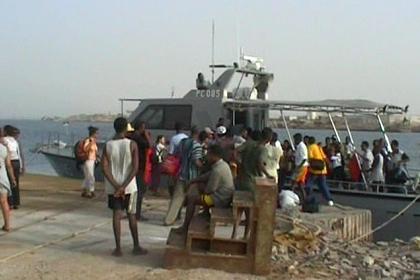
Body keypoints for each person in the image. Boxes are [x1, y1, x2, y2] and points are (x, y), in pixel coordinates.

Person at [102, 117, 147, 257]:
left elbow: (104, 168)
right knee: (131, 215)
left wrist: (116, 186)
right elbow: (135, 168)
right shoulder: (132, 144)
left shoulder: (108, 145)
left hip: (113, 187)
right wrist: (124, 186)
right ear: (125, 129)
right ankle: (136, 246)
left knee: (116, 215)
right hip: (130, 187)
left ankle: (118, 248)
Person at [174, 144, 234, 233]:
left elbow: (209, 191)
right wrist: (193, 181)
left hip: (219, 200)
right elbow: (206, 176)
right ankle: (204, 213)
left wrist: (199, 187)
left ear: (214, 155)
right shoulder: (222, 165)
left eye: (209, 154)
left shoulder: (217, 171)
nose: (207, 156)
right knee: (198, 188)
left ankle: (185, 227)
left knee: (192, 199)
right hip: (224, 197)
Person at [164, 126, 204, 226]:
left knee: (176, 199)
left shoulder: (183, 143)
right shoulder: (197, 146)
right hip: (193, 177)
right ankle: (192, 221)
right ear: (198, 134)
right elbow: (196, 161)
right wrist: (203, 167)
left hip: (181, 174)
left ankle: (168, 220)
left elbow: (177, 155)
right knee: (194, 201)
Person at [131, 121, 152, 221]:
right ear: (141, 127)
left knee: (134, 191)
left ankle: (132, 211)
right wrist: (147, 135)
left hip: (133, 166)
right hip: (139, 167)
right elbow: (149, 145)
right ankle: (137, 214)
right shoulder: (139, 138)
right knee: (140, 191)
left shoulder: (131, 136)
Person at [306, 137, 334, 206]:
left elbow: (310, 158)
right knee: (323, 185)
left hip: (315, 170)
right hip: (323, 169)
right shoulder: (319, 147)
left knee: (309, 184)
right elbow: (324, 157)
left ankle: (309, 198)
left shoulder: (310, 147)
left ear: (309, 142)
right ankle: (329, 200)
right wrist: (329, 164)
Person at [4, 126, 25, 208]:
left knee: (8, 182)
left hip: (9, 161)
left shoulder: (4, 140)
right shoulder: (15, 141)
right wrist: (22, 166)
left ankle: (10, 202)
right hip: (16, 162)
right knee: (15, 182)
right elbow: (19, 153)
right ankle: (16, 202)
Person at [0, 128, 17, 231]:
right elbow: (9, 165)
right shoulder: (4, 148)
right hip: (2, 178)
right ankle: (7, 225)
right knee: (4, 201)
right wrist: (13, 178)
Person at [80, 126, 99, 199]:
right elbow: (85, 149)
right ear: (93, 134)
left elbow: (95, 151)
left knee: (87, 176)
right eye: (96, 133)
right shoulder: (89, 140)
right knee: (91, 176)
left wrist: (97, 157)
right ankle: (91, 190)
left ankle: (84, 190)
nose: (97, 135)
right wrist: (91, 143)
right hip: (88, 160)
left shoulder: (93, 141)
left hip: (92, 159)